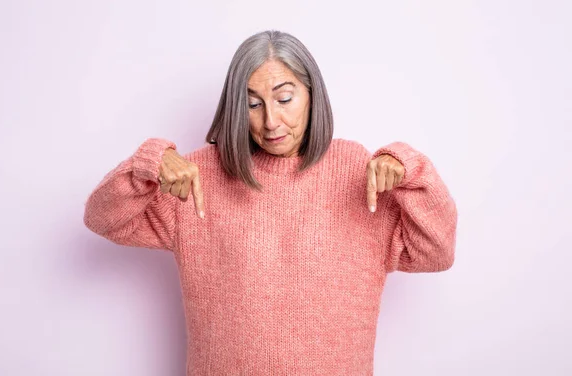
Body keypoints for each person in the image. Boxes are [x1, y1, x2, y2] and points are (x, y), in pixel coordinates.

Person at [84, 29, 457, 375]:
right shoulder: (198, 177)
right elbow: (104, 219)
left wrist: (411, 169)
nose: (271, 121)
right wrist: (146, 164)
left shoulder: (360, 174)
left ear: (312, 93)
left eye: (284, 98)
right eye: (252, 104)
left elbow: (435, 254)